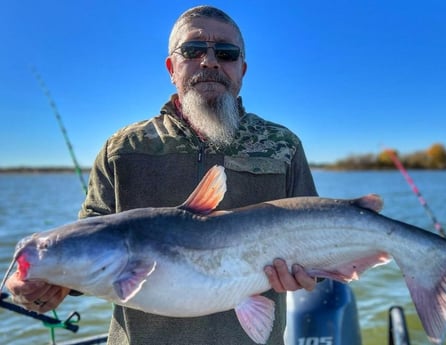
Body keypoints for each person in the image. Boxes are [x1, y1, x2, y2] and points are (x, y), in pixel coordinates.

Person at [6, 5, 318, 345]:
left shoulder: (282, 146)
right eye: (193, 50)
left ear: (242, 69)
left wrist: (309, 273)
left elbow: (320, 241)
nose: (210, 62)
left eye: (226, 53)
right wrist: (42, 285)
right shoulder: (122, 148)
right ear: (172, 67)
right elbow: (90, 246)